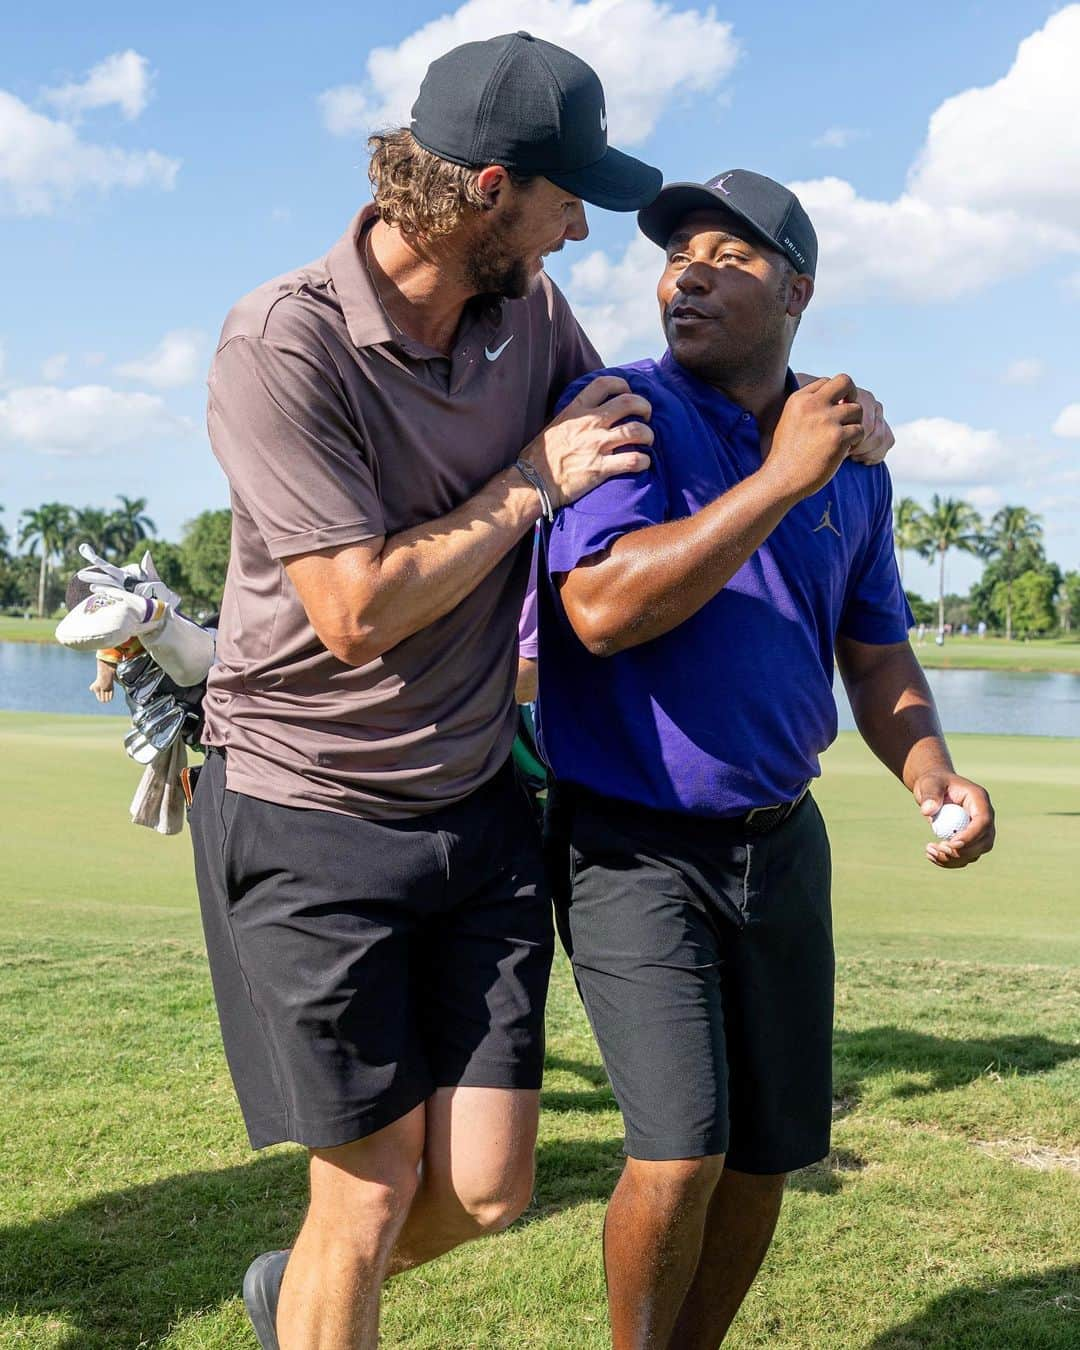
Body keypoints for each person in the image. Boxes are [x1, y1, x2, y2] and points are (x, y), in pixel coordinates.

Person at [188, 32, 662, 1350]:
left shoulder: (530, 314)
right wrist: (531, 483)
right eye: (572, 199)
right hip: (305, 812)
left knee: (488, 1186)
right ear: (493, 188)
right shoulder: (283, 343)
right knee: (370, 1180)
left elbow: (618, 431)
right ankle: (328, 1282)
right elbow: (354, 611)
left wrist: (786, 433)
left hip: (473, 809)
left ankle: (302, 1293)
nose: (581, 231)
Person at [534, 170, 996, 1349]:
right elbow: (598, 609)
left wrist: (931, 768)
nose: (687, 271)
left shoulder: (853, 450)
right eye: (676, 254)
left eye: (728, 258)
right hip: (633, 845)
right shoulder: (621, 408)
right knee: (681, 1154)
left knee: (766, 1157)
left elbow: (876, 647)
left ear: (797, 291)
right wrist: (779, 476)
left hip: (781, 847)